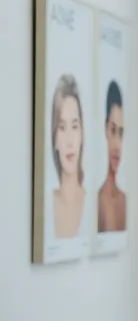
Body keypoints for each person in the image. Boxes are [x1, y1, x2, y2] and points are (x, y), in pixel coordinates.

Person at [48, 74, 85, 239]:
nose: (70, 140)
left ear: (82, 134)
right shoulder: (48, 205)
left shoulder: (92, 204)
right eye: (62, 128)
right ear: (54, 138)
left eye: (75, 126)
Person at [98, 79, 128, 233]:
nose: (117, 145)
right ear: (105, 129)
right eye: (113, 130)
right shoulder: (98, 200)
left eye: (121, 133)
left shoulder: (123, 200)